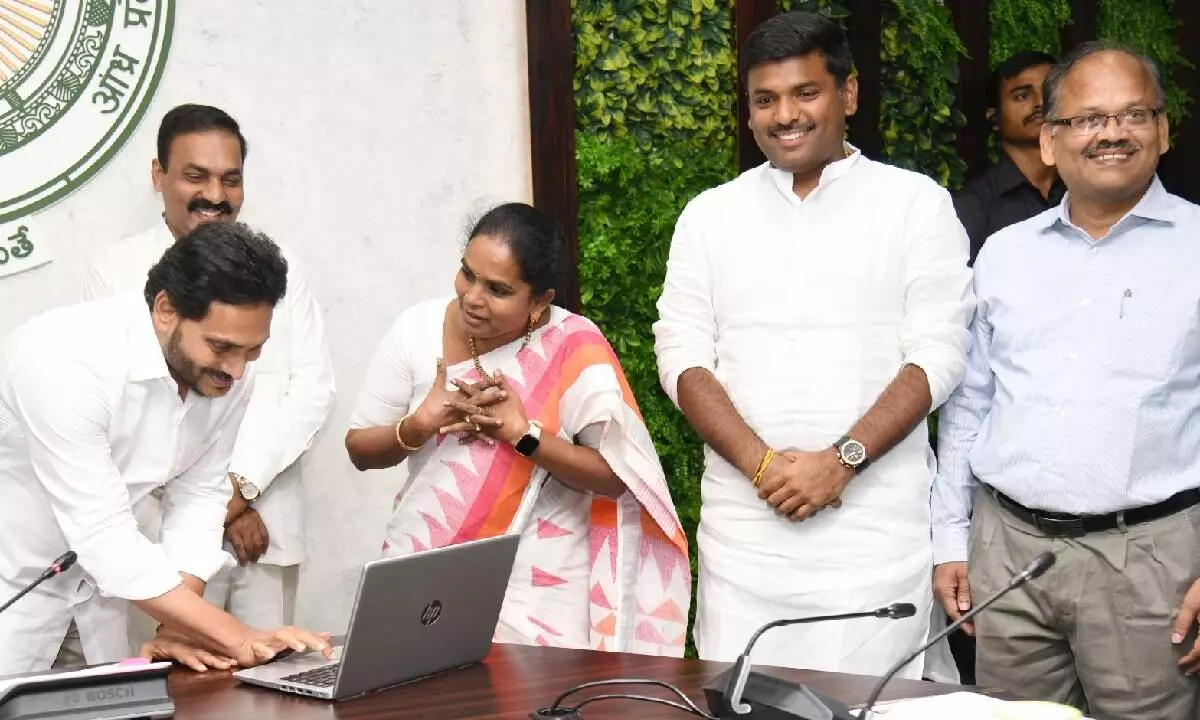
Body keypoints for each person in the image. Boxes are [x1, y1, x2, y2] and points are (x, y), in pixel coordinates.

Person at [652, 11, 973, 679]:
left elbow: (936, 356)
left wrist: (842, 460)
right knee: (743, 701)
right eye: (765, 99)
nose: (784, 115)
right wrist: (761, 465)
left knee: (874, 703)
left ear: (848, 94)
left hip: (874, 539)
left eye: (805, 93)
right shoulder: (709, 216)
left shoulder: (916, 205)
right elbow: (681, 357)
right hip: (746, 541)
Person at [932, 41, 1200, 718]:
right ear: (1050, 140)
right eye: (1088, 119)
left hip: (1152, 563)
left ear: (1163, 131)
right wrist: (949, 539)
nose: (1112, 132)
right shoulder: (1005, 253)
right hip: (1008, 554)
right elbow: (970, 406)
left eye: (1133, 114)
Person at [345, 202, 691, 656]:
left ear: (540, 300)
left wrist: (523, 435)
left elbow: (614, 476)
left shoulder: (575, 346)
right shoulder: (417, 329)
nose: (472, 297)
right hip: (428, 566)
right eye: (467, 275)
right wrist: (419, 425)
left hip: (540, 585)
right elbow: (359, 449)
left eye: (498, 289)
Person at [0, 222, 333, 674]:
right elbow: (103, 533)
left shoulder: (228, 372)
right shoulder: (62, 359)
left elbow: (200, 495)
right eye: (222, 347)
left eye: (253, 351)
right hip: (13, 597)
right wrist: (239, 636)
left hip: (98, 602)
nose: (236, 371)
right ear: (164, 310)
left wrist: (177, 626)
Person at [82, 104, 335, 648]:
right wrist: (214, 507)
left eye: (231, 178)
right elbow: (123, 414)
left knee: (271, 678)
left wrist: (241, 488)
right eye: (196, 175)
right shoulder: (117, 271)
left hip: (269, 522)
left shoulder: (279, 267)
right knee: (173, 676)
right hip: (156, 532)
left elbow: (311, 391)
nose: (215, 194)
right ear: (159, 176)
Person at [955, 51, 1066, 264]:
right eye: (1022, 95)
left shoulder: (1088, 190)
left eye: (1049, 91)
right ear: (994, 117)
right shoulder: (973, 208)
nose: (1040, 102)